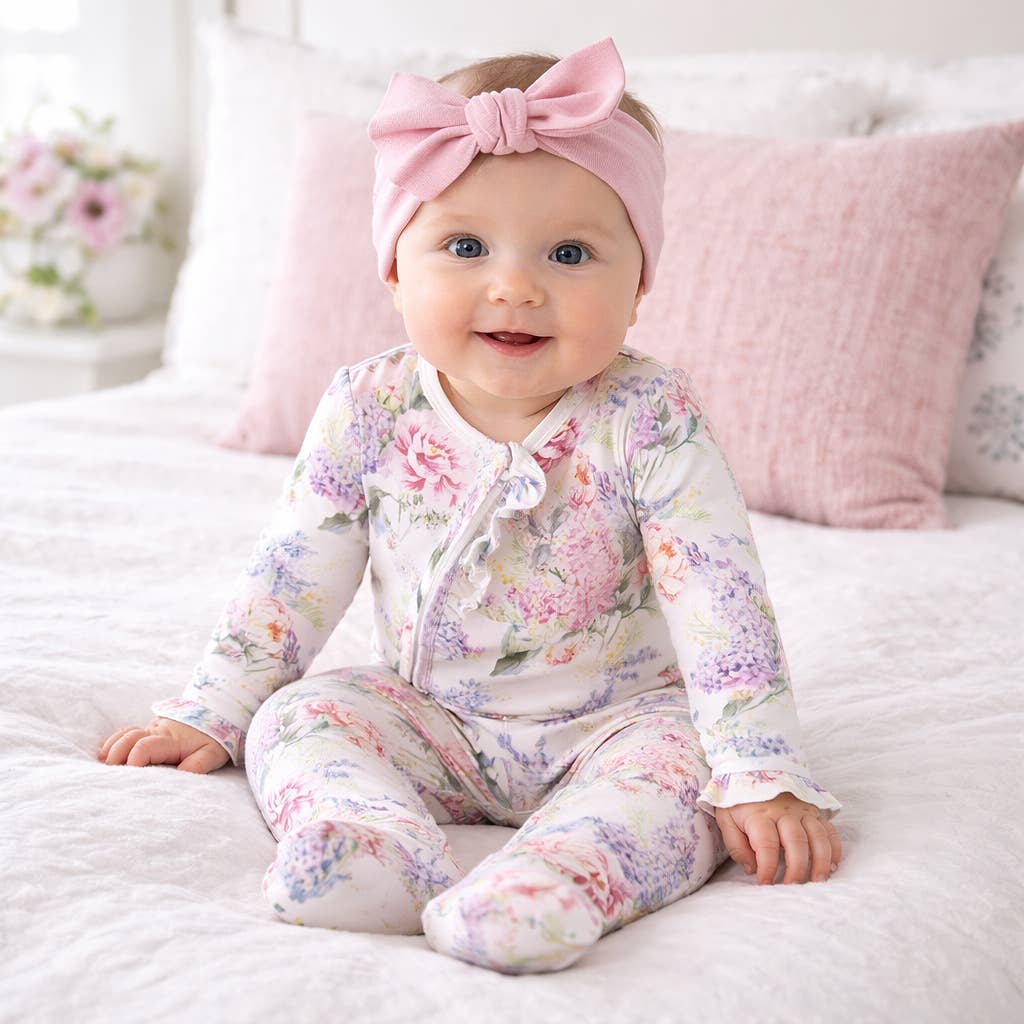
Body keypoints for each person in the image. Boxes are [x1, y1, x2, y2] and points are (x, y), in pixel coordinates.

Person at [97, 37, 843, 975]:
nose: (515, 286)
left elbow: (719, 598)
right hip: (432, 719)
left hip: (614, 723)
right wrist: (214, 709)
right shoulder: (370, 406)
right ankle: (372, 847)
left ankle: (557, 882)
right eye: (464, 246)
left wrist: (759, 767)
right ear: (395, 269)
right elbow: (292, 577)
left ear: (639, 285)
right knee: (296, 717)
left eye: (570, 253)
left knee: (686, 776)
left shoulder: (649, 415)